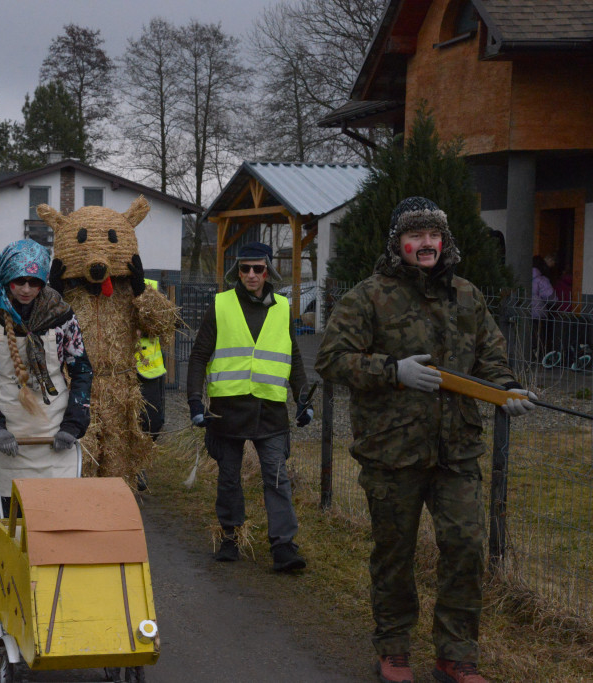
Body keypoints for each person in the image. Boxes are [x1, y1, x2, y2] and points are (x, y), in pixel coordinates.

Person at [315, 197, 537, 683]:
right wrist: (392, 371)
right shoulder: (368, 297)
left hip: (456, 449)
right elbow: (331, 360)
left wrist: (507, 390)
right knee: (394, 552)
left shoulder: (467, 296)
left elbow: (491, 359)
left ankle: (456, 655)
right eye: (415, 235)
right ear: (398, 243)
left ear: (445, 241)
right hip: (392, 451)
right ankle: (393, 648)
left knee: (466, 546)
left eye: (434, 235)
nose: (426, 244)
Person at [186, 242, 313, 572]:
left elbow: (293, 358)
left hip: (270, 410)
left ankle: (284, 546)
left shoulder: (283, 308)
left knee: (275, 477)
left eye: (258, 268)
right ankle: (230, 537)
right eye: (245, 269)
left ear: (268, 270)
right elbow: (199, 355)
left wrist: (303, 400)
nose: (252, 275)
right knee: (229, 476)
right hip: (227, 410)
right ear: (237, 272)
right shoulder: (221, 305)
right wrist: (194, 401)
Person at [0, 239, 93, 515]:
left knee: (57, 513)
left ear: (43, 281)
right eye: (18, 281)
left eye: (33, 282)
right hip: (10, 428)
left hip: (55, 427)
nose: (26, 289)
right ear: (6, 278)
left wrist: (73, 425)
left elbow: (81, 370)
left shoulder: (62, 317)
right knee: (16, 516)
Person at [135, 277, 167, 491]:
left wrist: (144, 329)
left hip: (149, 369)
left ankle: (140, 459)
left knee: (154, 421)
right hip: (116, 368)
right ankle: (133, 466)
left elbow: (167, 322)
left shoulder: (150, 286)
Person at [531, 255, 556, 361]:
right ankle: (540, 355)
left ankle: (530, 354)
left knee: (528, 335)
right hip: (539, 313)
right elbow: (551, 297)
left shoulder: (522, 275)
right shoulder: (541, 280)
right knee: (540, 337)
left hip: (524, 311)